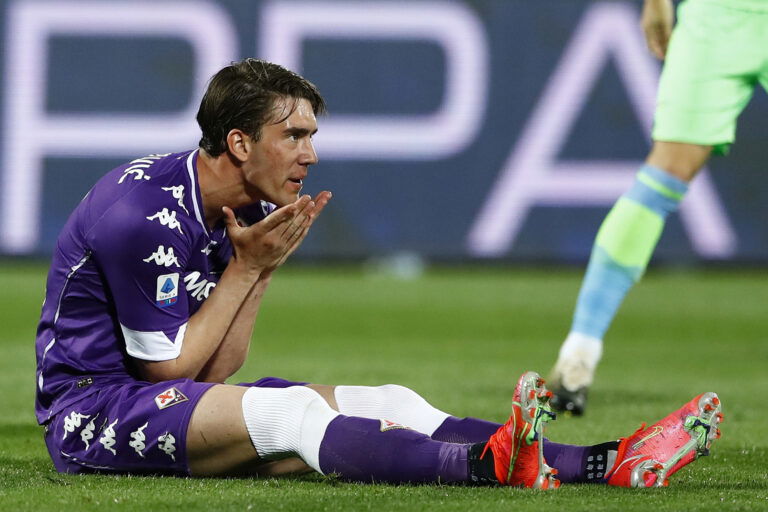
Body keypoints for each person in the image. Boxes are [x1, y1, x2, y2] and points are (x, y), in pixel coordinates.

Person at [36, 58, 721, 488]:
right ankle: (484, 467)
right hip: (92, 417)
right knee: (291, 411)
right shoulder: (142, 215)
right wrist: (247, 267)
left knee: (388, 400)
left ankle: (608, 461)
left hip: (168, 406)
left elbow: (214, 373)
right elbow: (170, 374)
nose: (310, 153)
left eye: (312, 135)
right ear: (240, 142)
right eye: (294, 136)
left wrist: (260, 270)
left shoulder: (235, 209)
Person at [548, 0, 768, 415]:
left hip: (715, 21)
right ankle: (579, 353)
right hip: (717, 17)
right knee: (663, 176)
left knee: (661, 180)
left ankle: (578, 355)